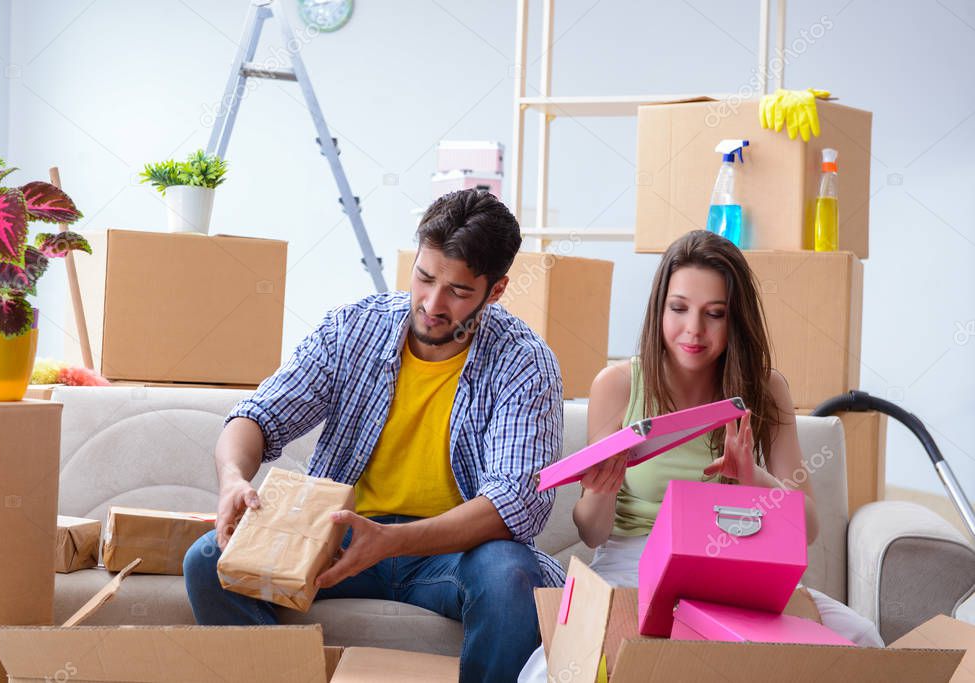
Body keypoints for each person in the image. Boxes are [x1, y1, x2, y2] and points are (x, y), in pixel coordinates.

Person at [184, 189, 564, 683]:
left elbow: (516, 503)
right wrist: (233, 478)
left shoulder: (525, 363)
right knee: (209, 559)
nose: (432, 303)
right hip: (340, 538)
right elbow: (257, 416)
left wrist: (393, 541)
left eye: (458, 291)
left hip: (451, 554)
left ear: (495, 291)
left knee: (510, 576)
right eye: (424, 278)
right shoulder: (353, 329)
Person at [519, 230, 881, 681]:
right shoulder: (617, 385)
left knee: (863, 639)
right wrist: (601, 491)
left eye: (715, 314)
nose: (694, 329)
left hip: (735, 570)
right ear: (659, 309)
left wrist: (755, 479)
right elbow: (593, 533)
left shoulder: (767, 389)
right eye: (679, 309)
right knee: (553, 669)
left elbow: (806, 527)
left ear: (736, 321)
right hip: (635, 565)